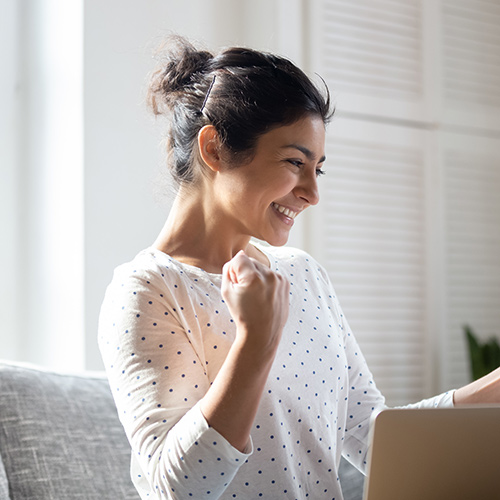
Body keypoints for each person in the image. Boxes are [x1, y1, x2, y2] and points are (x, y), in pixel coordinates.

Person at [98, 37, 500, 500]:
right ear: (214, 149)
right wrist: (255, 339)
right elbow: (179, 488)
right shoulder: (148, 289)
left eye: (318, 169)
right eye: (295, 162)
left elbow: (373, 435)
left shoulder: (303, 274)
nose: (311, 192)